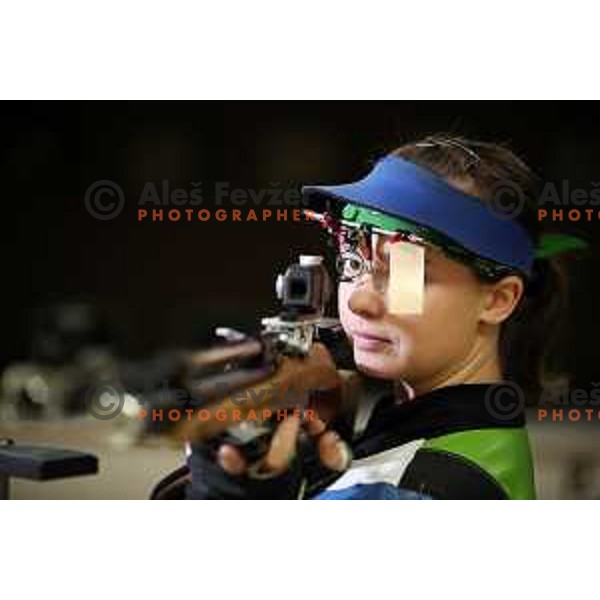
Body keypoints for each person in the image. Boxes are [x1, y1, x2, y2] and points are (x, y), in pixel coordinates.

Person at [184, 134, 578, 500]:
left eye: (408, 274)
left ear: (497, 300)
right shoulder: (465, 434)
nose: (360, 302)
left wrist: (221, 496)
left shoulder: (414, 489)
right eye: (353, 263)